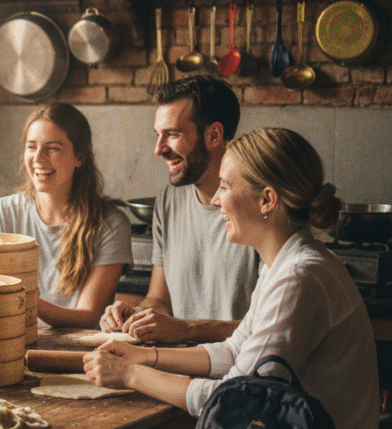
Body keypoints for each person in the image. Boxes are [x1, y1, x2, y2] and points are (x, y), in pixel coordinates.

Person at [84, 127, 379, 429]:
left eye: (224, 187)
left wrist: (130, 375)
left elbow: (235, 401)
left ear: (267, 200)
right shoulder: (283, 262)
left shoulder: (298, 277)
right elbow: (234, 350)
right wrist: (145, 357)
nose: (214, 201)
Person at [100, 75, 259, 343]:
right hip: (183, 365)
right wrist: (139, 314)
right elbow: (160, 299)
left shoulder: (258, 205)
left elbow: (271, 326)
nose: (158, 149)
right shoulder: (169, 200)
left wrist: (187, 329)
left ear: (214, 135)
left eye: (172, 134)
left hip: (242, 374)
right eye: (158, 135)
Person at [0, 102, 132, 328]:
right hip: (10, 345)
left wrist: (21, 297)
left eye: (52, 148)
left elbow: (89, 315)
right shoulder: (3, 213)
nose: (39, 158)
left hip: (77, 355)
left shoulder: (110, 223)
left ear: (79, 157)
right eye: (31, 147)